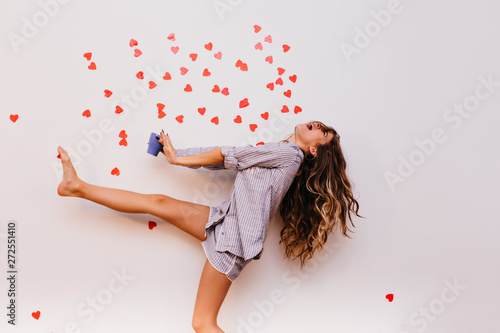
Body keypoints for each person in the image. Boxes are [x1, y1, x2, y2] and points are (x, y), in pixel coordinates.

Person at [57, 120, 363, 333]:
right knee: (159, 202)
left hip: (233, 244)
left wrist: (177, 160)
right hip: (224, 223)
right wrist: (175, 154)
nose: (318, 126)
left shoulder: (289, 154)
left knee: (203, 324)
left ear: (315, 151)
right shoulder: (281, 154)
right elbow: (225, 159)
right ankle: (76, 187)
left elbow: (230, 154)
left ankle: (77, 187)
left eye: (324, 133)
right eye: (320, 125)